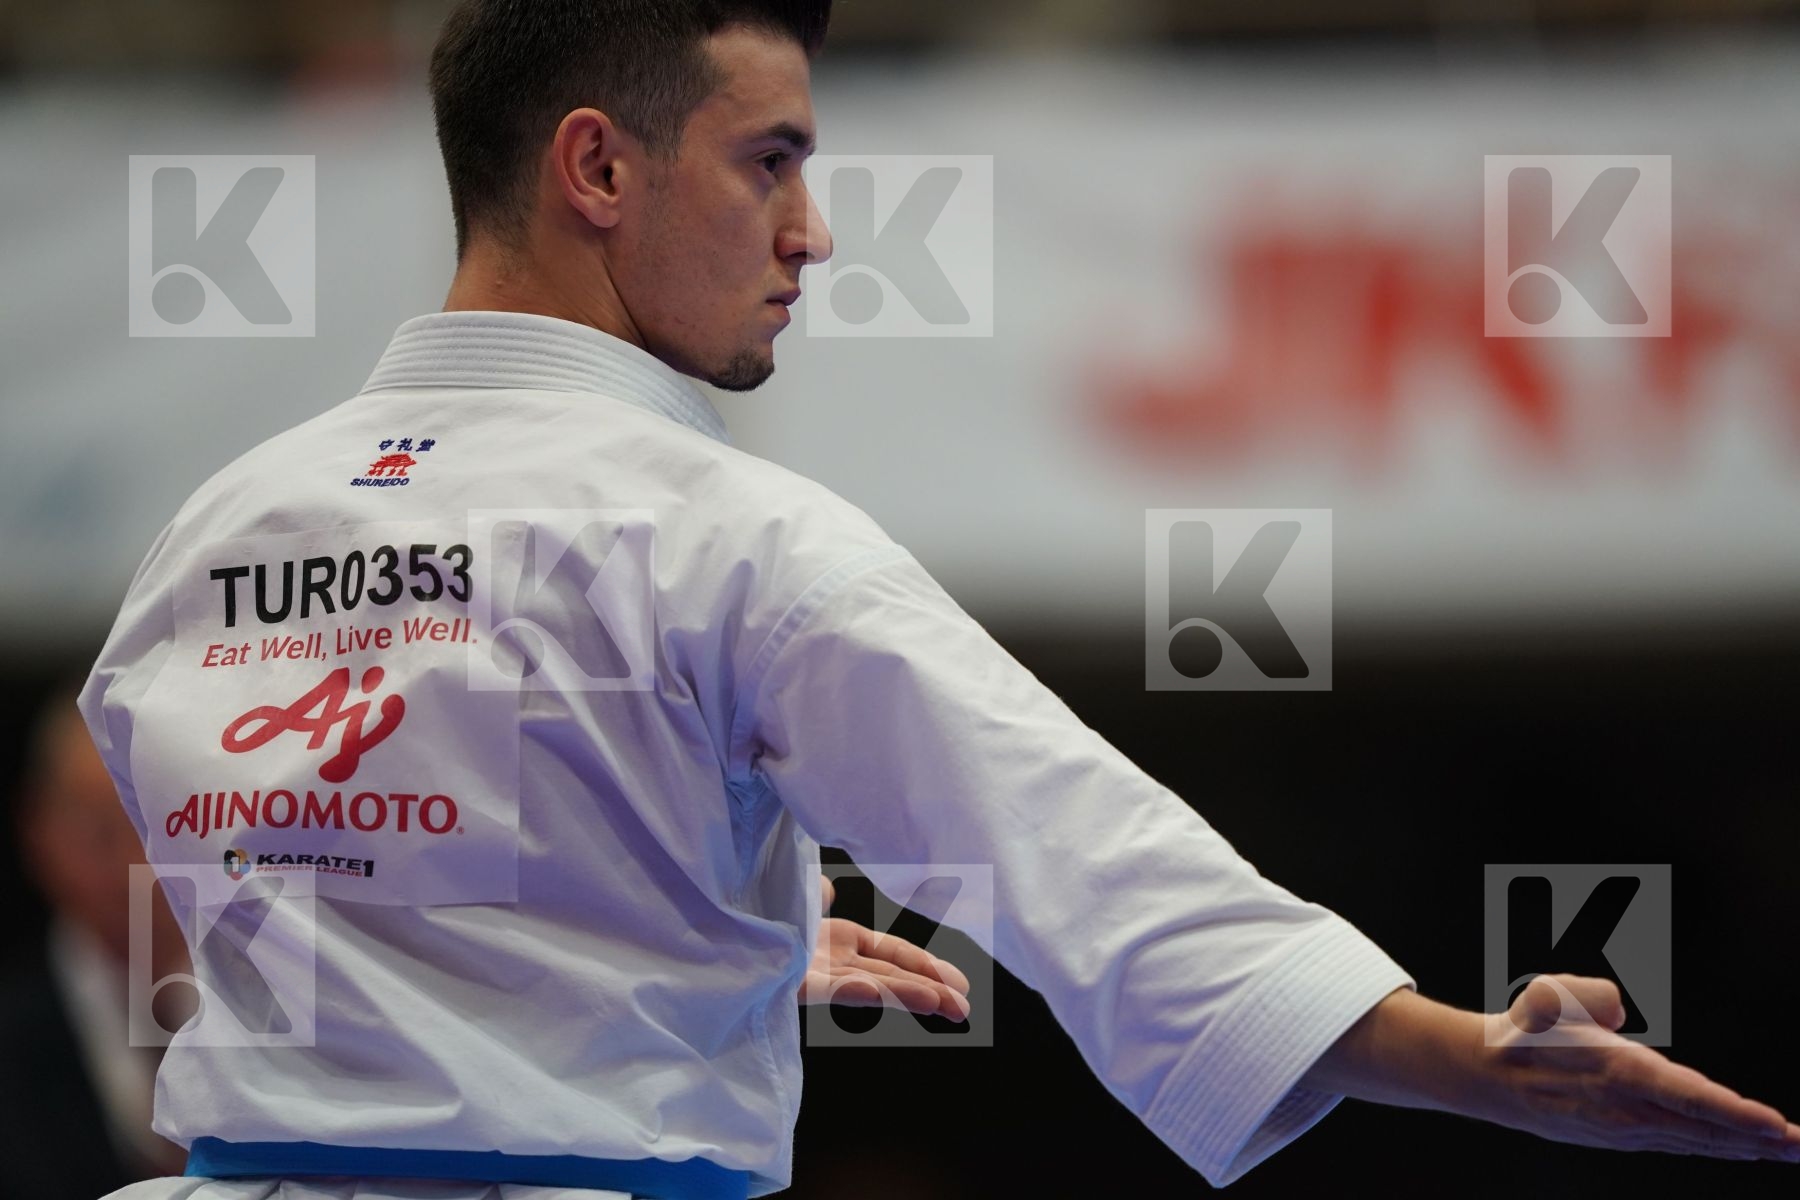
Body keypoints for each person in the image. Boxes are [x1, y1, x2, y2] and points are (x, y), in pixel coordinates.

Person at [80, 2, 1799, 1198]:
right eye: (771, 163)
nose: (812, 235)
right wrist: (1465, 1056)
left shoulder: (211, 532)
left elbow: (299, 865)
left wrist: (653, 938)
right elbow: (1088, 866)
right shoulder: (725, 533)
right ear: (597, 170)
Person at [1, 687, 190, 1196]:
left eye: (160, 830)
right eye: (101, 832)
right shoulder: (14, 1033)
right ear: (37, 831)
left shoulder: (282, 1000)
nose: (137, 865)